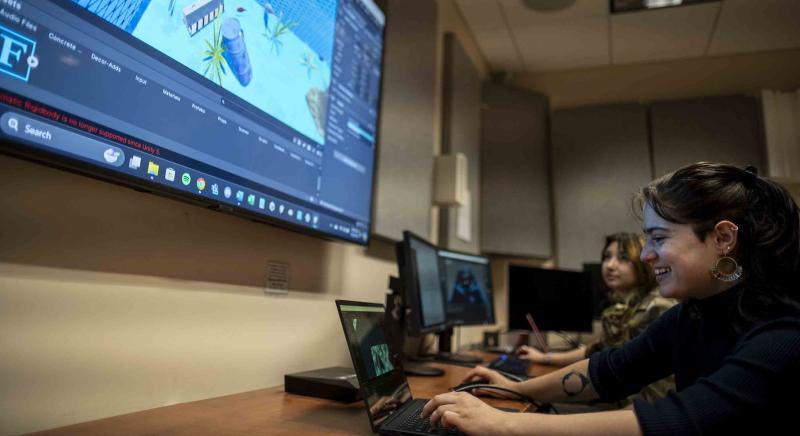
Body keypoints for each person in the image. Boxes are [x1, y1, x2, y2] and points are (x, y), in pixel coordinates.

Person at [421, 162, 800, 435]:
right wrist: (514, 388)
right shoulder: (695, 314)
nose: (646, 255)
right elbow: (608, 371)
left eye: (659, 238)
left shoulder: (785, 333)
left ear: (722, 239)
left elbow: (683, 421)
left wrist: (505, 423)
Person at [517, 232, 675, 404]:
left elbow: (651, 398)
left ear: (643, 263)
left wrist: (517, 389)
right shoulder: (625, 309)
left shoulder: (656, 308)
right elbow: (596, 351)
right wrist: (543, 358)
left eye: (623, 258)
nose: (610, 265)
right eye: (607, 257)